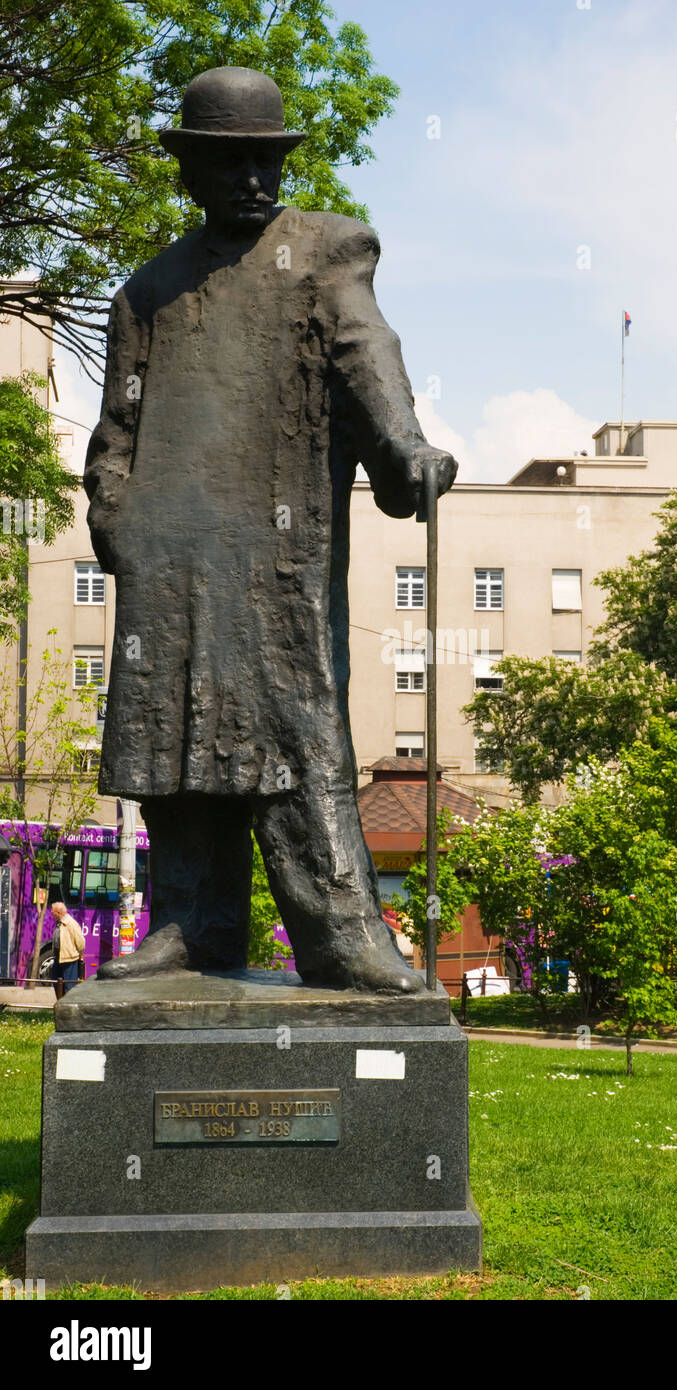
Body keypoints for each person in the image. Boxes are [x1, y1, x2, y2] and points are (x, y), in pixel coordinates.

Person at [84, 66, 457, 992]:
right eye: (230, 162)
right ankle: (190, 926)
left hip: (273, 553)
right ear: (190, 171)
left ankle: (340, 936)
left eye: (265, 159)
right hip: (165, 556)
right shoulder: (148, 292)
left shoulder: (327, 251)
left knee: (292, 729)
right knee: (172, 737)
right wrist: (114, 514)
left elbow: (367, 354)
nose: (253, 177)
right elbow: (116, 427)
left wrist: (405, 452)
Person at [51, 901, 85, 999]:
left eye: (53, 912)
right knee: (56, 983)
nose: (52, 914)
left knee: (68, 986)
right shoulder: (59, 923)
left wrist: (79, 955)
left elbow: (81, 943)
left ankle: (68, 1007)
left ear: (59, 913)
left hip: (69, 960)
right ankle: (60, 1005)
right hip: (58, 958)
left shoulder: (71, 924)